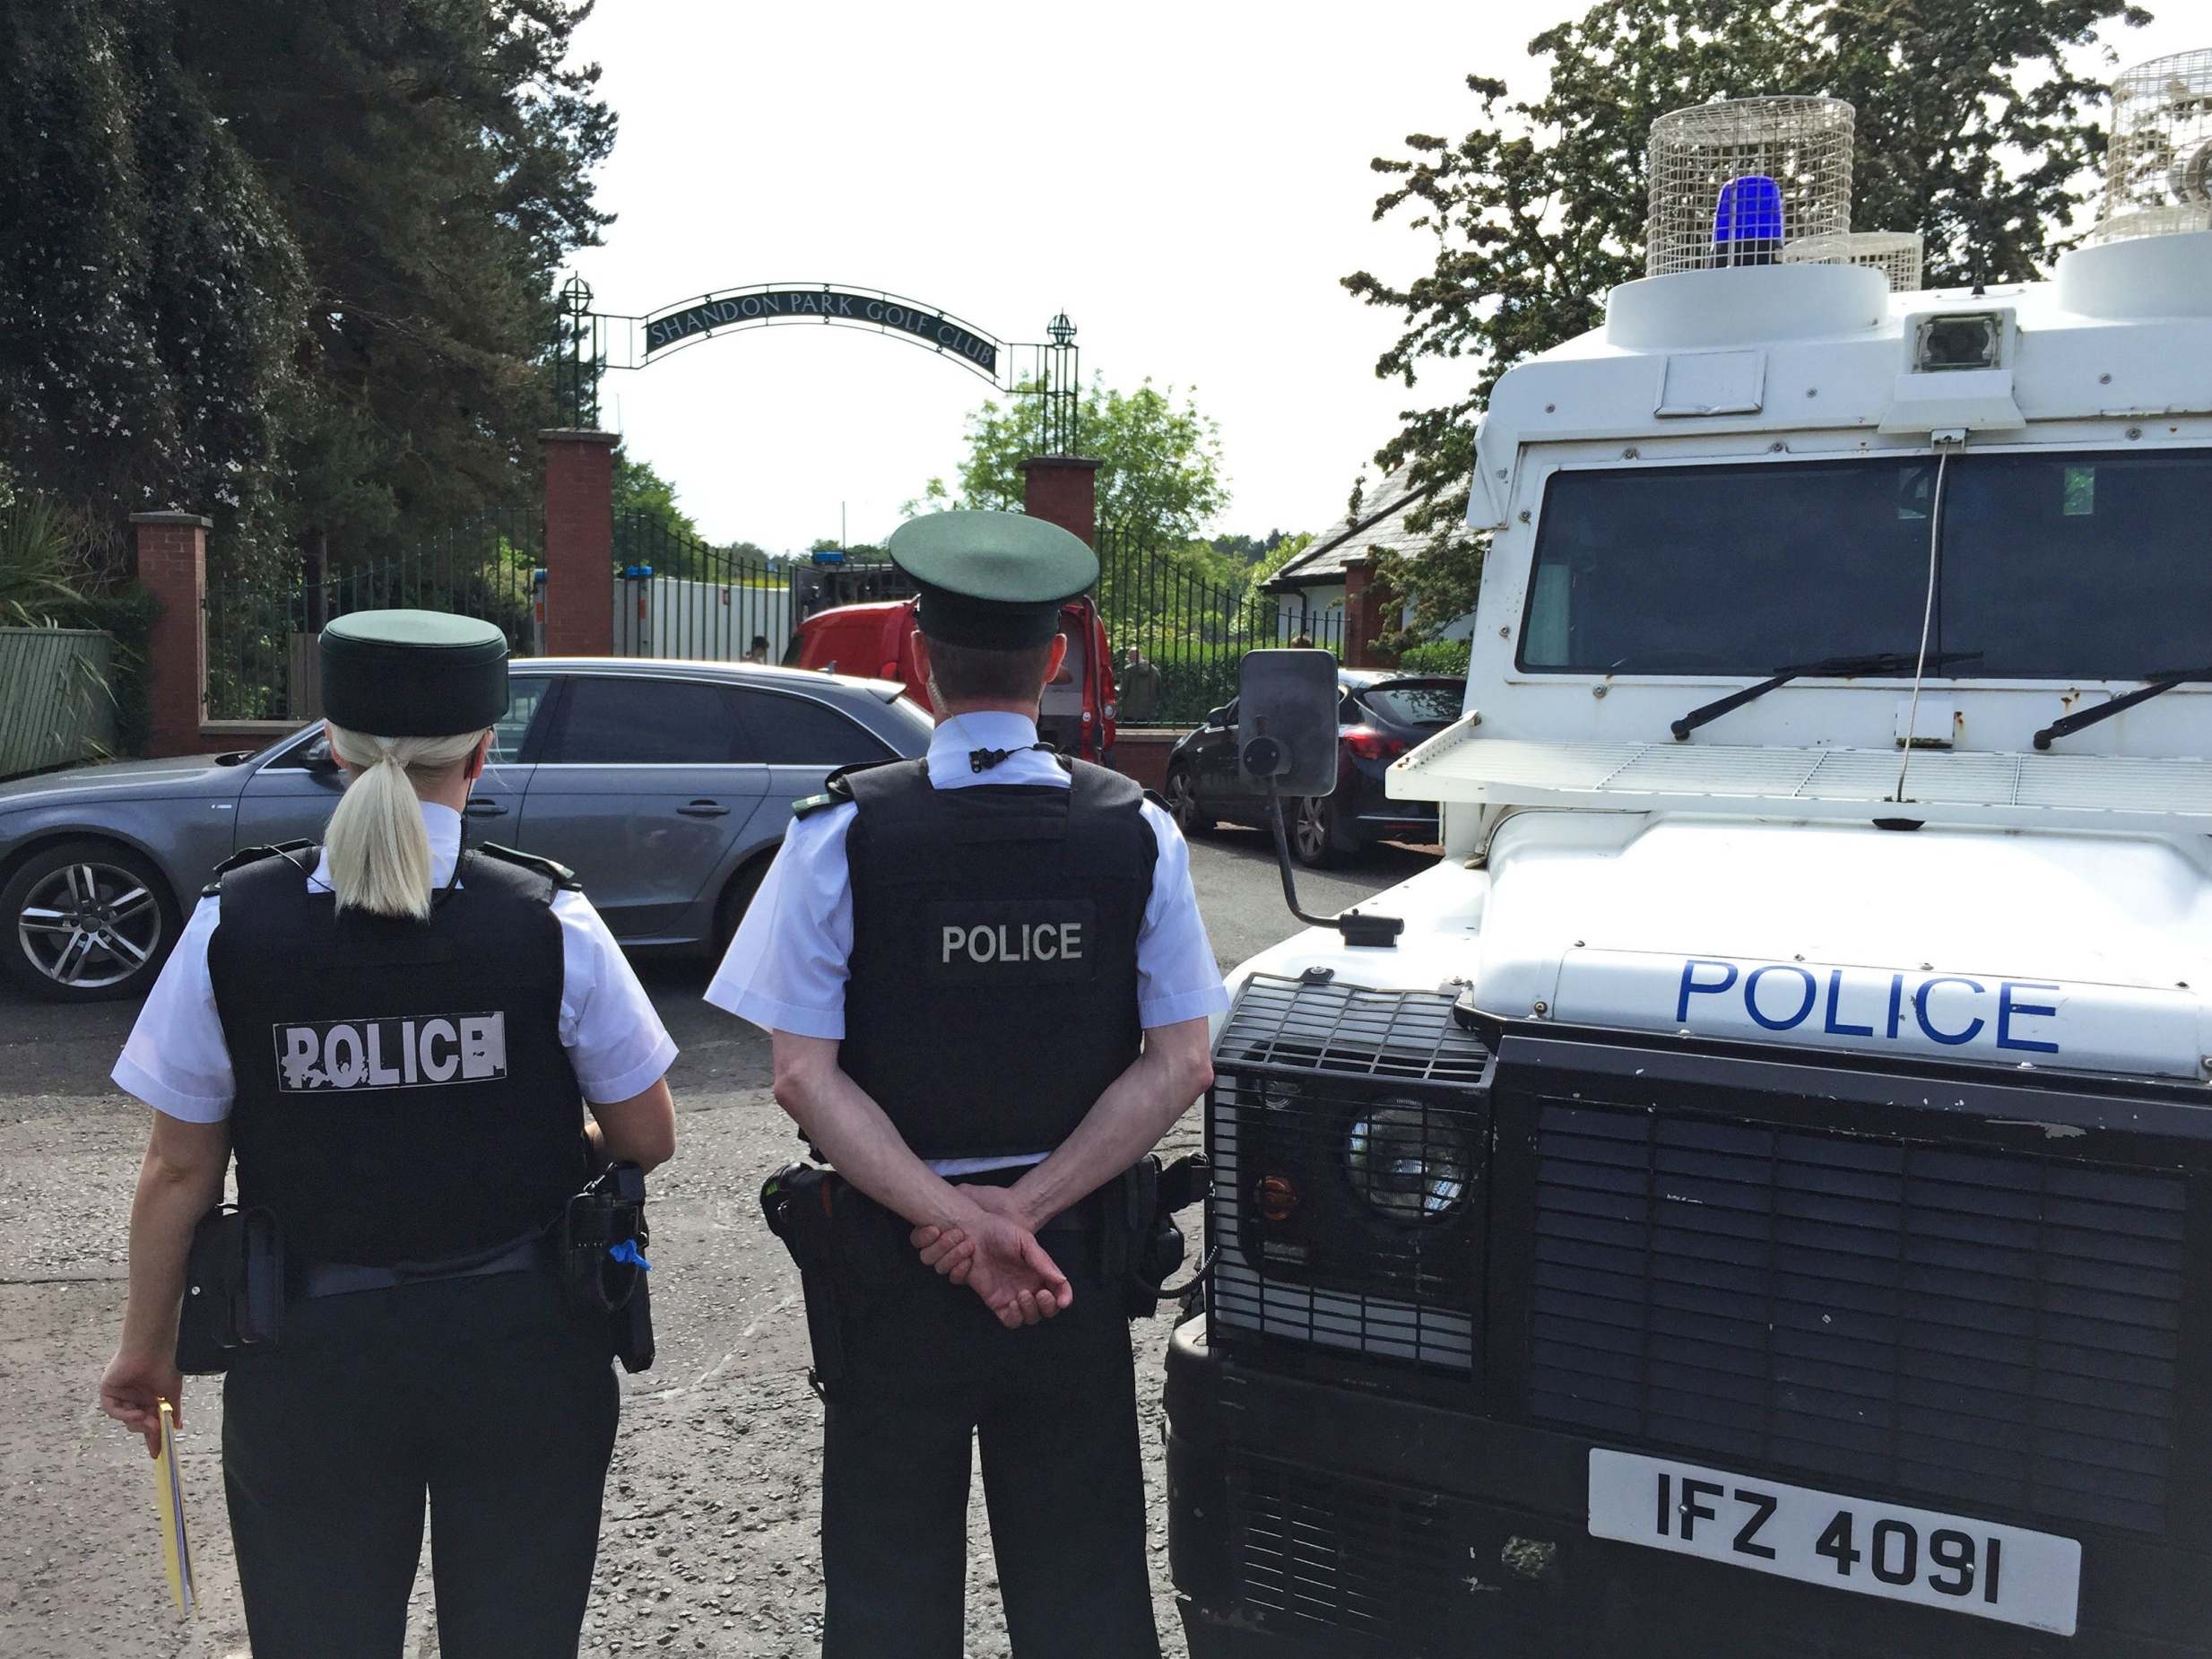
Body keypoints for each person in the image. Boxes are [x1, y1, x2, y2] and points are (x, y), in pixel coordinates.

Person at [99, 609, 678, 1659]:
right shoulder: (548, 917)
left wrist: (146, 1351)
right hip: (524, 1346)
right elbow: (647, 1131)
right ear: (482, 749)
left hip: (308, 1358)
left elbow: (178, 1169)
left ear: (331, 744)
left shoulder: (236, 923)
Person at [707, 510, 1227, 1659]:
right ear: (1053, 662)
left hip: (894, 1261)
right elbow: (1180, 1061)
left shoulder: (840, 828)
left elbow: (803, 1075)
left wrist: (957, 1219)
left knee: (888, 1591)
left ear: (913, 659)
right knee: (1085, 1580)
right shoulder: (1134, 829)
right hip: (1069, 1262)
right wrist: (1023, 1216)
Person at [1116, 641, 1162, 724]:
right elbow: (1159, 689)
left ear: (1131, 657)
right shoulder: (1154, 671)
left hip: (1130, 711)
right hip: (1148, 711)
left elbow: (1123, 690)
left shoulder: (1128, 671)